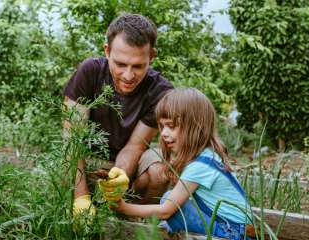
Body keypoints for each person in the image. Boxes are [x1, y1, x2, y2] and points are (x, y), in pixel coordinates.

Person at [63, 13, 173, 217]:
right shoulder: (89, 72)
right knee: (62, 167)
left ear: (151, 57)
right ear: (107, 51)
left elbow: (135, 146)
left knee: (161, 171)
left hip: (127, 163)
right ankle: (84, 204)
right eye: (120, 64)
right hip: (86, 161)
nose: (128, 76)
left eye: (138, 66)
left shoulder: (160, 91)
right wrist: (81, 197)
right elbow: (72, 140)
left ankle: (129, 218)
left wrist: (119, 174)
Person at [108, 88, 253, 240]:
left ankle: (165, 226)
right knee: (172, 202)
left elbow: (166, 211)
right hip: (234, 228)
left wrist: (124, 207)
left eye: (171, 126)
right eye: (162, 126)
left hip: (232, 233)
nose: (163, 133)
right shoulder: (208, 156)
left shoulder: (199, 167)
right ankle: (168, 226)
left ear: (196, 127)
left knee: (169, 201)